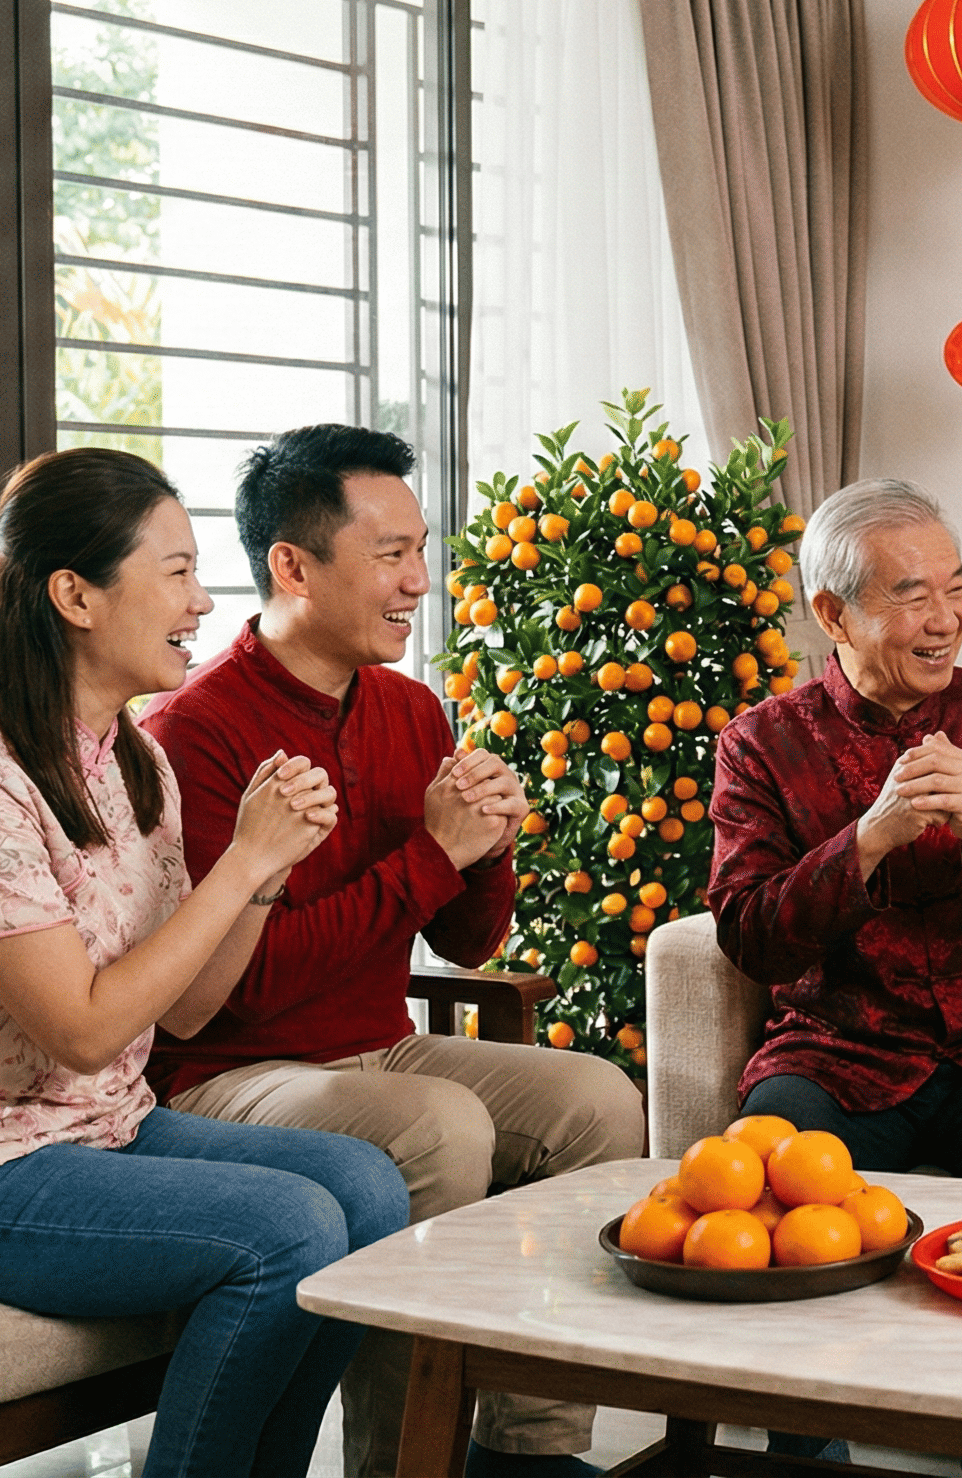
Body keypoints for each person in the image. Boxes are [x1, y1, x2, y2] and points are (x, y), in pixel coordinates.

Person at [0, 448, 408, 1478]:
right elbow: (87, 1027)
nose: (202, 600)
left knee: (366, 1189)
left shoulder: (129, 758)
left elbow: (182, 1013)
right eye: (177, 571)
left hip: (99, 1130)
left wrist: (266, 871)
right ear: (75, 596)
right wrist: (245, 862)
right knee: (286, 1228)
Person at [143, 425, 645, 1478]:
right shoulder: (197, 732)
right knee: (440, 1128)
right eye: (389, 555)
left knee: (598, 1100)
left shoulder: (412, 709)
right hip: (232, 1075)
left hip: (377, 1048)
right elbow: (236, 993)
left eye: (421, 550)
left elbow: (465, 940)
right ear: (293, 565)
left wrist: (489, 844)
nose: (420, 581)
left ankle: (528, 1453)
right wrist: (431, 853)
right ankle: (405, 1462)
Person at [708, 477, 962, 1184]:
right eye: (913, 596)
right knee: (770, 1185)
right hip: (834, 1059)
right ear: (833, 616)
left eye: (955, 589)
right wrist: (867, 841)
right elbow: (750, 937)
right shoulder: (760, 744)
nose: (946, 619)